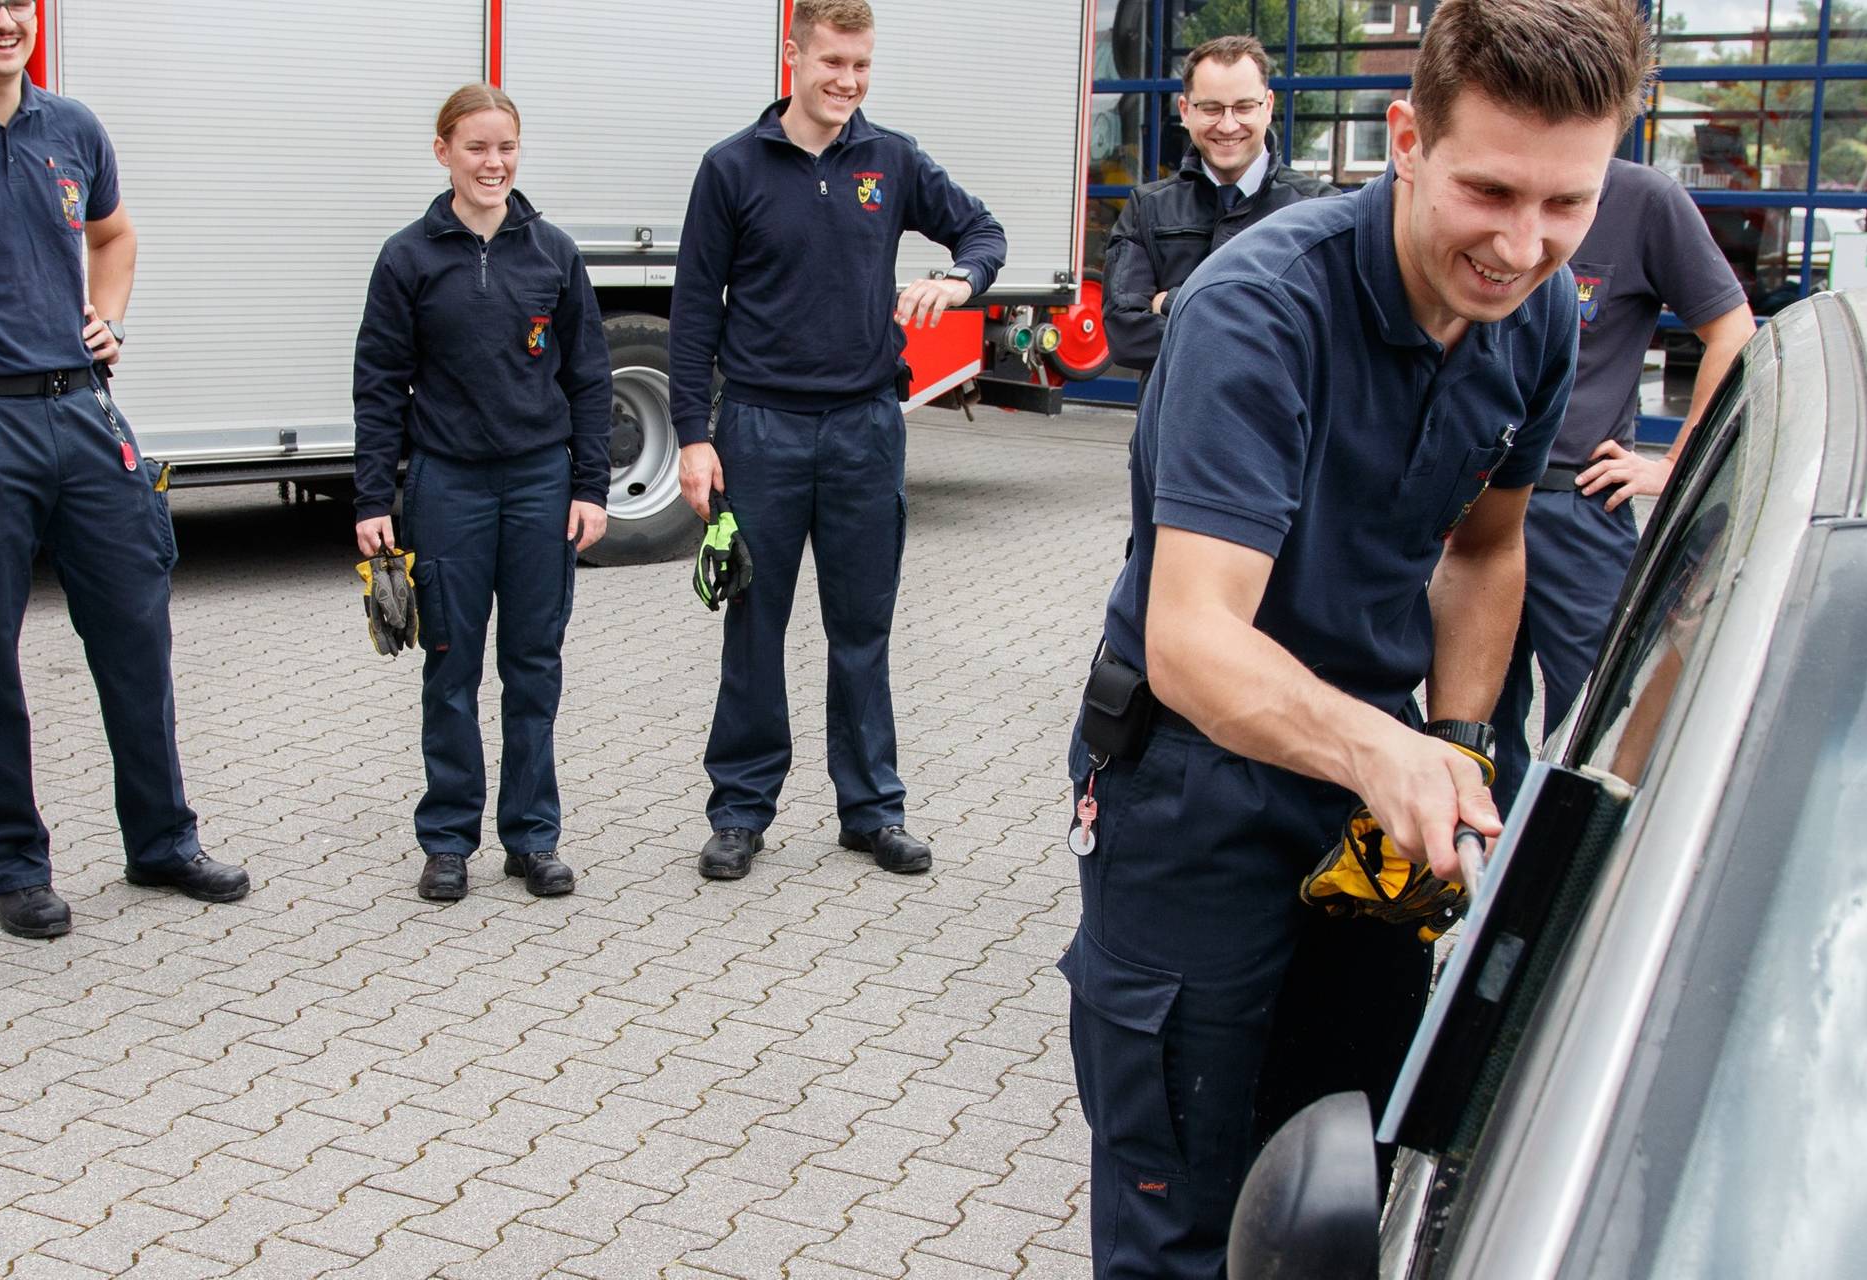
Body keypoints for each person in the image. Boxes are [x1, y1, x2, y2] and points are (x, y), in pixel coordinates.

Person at [1054, 0, 1654, 1273]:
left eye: (1568, 204)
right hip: (1194, 792)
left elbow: (1486, 550)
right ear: (1406, 138)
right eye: (1490, 190)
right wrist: (1384, 755)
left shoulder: (1538, 314)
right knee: (1185, 1214)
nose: (1522, 243)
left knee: (1345, 1180)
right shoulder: (1257, 312)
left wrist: (1453, 743)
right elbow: (1195, 641)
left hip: (1374, 796)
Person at [0, 0, 249, 941]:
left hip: (83, 414)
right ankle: (15, 867)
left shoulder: (73, 127)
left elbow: (115, 236)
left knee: (136, 636)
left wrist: (110, 316)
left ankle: (161, 841)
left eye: (16, 2)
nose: (2, 19)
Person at [671, 0, 1007, 882]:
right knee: (756, 625)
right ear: (794, 55)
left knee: (863, 628)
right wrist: (689, 437)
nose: (847, 82)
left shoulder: (889, 160)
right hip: (760, 430)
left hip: (864, 429)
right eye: (832, 62)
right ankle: (741, 812)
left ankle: (871, 811)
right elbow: (694, 314)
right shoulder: (730, 168)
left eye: (861, 66)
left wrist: (959, 279)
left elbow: (983, 232)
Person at [351, 84, 614, 903]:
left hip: (540, 484)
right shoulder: (408, 258)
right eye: (475, 147)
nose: (493, 162)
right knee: (449, 665)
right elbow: (378, 384)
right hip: (448, 487)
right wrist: (371, 499)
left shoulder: (554, 254)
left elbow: (591, 380)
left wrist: (590, 486)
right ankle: (447, 842)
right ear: (443, 152)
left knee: (533, 665)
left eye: (506, 147)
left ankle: (533, 839)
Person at [1487, 157, 1754, 806]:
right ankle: (1486, 879)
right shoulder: (1486, 180)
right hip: (1471, 498)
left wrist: (1674, 464)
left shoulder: (1643, 200)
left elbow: (1732, 330)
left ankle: (1567, 873)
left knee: (1588, 719)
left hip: (1574, 507)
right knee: (1476, 715)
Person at [1101, 35, 1341, 379]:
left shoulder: (1318, 210)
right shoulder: (1148, 209)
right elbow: (1127, 336)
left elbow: (1327, 334)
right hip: (1172, 429)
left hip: (1278, 428)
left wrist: (1172, 303)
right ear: (1186, 111)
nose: (1228, 125)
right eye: (1211, 108)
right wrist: (1261, 325)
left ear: (1268, 106)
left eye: (1243, 107)